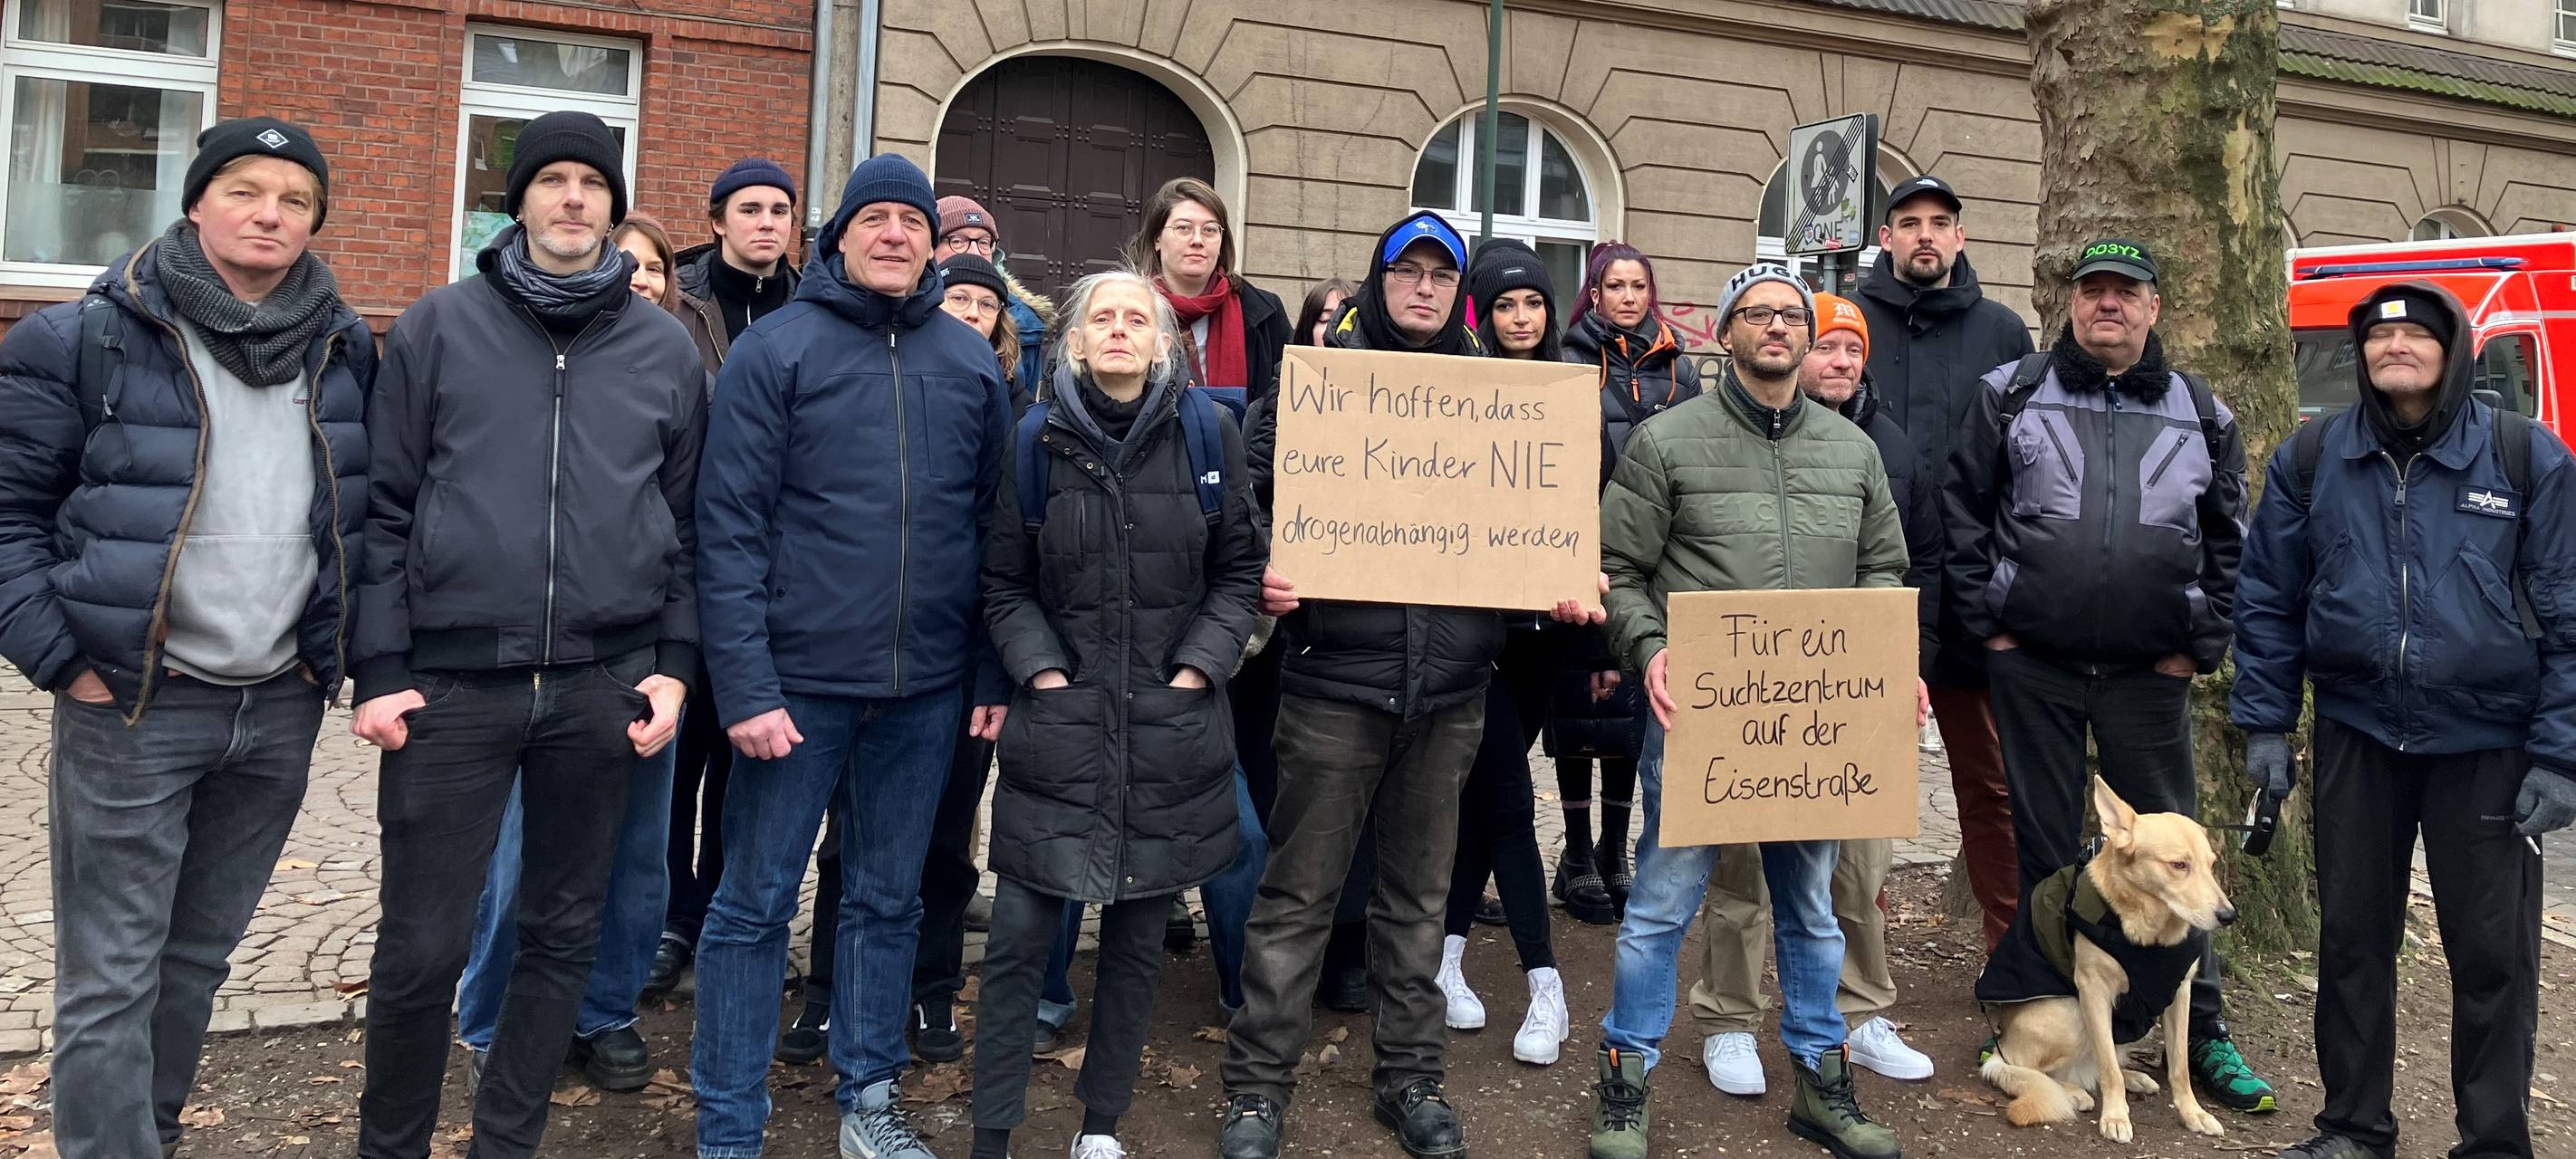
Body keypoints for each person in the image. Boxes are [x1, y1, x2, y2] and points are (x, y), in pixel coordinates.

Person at [0, 117, 369, 1159]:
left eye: (295, 199)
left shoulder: (345, 345)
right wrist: (63, 660)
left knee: (196, 958)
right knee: (112, 972)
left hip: (278, 700)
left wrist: (327, 657)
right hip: (134, 701)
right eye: (245, 190)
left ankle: (147, 1136)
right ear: (197, 202)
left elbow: (358, 511)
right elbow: (9, 511)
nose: (270, 213)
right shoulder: (85, 336)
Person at [351, 110, 704, 1159]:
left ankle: (506, 1138)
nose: (573, 199)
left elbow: (685, 527)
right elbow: (385, 511)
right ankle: (392, 1144)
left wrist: (675, 670)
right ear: (521, 200)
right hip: (453, 687)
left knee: (560, 933)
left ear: (613, 203)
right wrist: (378, 668)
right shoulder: (437, 327)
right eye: (551, 180)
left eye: (591, 184)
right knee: (422, 947)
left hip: (602, 681)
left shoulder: (662, 348)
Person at [1219, 209, 1603, 1159]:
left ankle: (1411, 1079)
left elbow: (1539, 517)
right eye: (1407, 271)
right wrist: (1267, 562)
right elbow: (1246, 500)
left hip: (1451, 693)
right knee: (1298, 895)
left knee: (1418, 900)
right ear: (1380, 277)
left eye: (1442, 274)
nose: (1424, 287)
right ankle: (1258, 1089)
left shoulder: (1495, 395)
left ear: (1457, 288)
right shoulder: (1317, 387)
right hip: (1332, 686)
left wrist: (1556, 582)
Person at [689, 152, 1013, 1159]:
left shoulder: (968, 364)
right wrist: (743, 685)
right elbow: (727, 527)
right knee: (752, 902)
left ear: (931, 242)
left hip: (923, 695)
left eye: (910, 222)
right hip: (794, 690)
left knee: (887, 895)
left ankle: (867, 1093)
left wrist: (991, 675)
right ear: (834, 238)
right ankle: (730, 1119)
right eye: (873, 219)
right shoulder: (776, 351)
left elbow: (996, 532)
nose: (894, 236)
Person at [2232, 283, 2576, 1159]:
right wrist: (2266, 724)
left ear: (2452, 348)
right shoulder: (2314, 457)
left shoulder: (2526, 457)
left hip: (2488, 745)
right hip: (2358, 732)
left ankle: (2494, 1139)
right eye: (2379, 339)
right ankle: (2353, 1124)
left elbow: (2570, 613)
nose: (2396, 349)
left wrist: (2560, 757)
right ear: (2362, 356)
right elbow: (2268, 597)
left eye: (2415, 335)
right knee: (2352, 941)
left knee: (2493, 958)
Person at [1941, 237, 2273, 1116]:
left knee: (2184, 858)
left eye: (2125, 292)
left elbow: (2233, 537)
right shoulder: (2011, 392)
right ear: (2070, 304)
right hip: (2034, 665)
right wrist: (1991, 626)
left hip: (2146, 673)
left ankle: (2200, 1028)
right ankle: (2038, 1018)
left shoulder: (2203, 412)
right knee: (2048, 854)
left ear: (2154, 306)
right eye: (2092, 292)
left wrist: (2199, 641)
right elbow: (1964, 510)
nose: (2108, 305)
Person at [1584, 263, 1908, 1159]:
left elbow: (1885, 566)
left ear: (1808, 338)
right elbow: (1621, 570)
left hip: (1814, 725)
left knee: (1809, 905)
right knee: (1660, 901)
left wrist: (1888, 659)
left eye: (1791, 316)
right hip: (1699, 715)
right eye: (1758, 314)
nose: (1777, 326)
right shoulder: (1666, 442)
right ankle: (1625, 1075)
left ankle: (1821, 1078)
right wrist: (1650, 652)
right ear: (1724, 334)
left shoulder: (1851, 451)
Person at [972, 267, 1265, 1159]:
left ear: (1162, 338)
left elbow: (1239, 573)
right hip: (1057, 731)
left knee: (1138, 938)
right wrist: (1044, 673)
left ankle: (1101, 1123)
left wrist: (1197, 668)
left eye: (1137, 317)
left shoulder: (1207, 434)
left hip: (1173, 730)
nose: (1119, 330)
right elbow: (1003, 583)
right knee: (1020, 939)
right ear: (1074, 337)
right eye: (1102, 316)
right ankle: (994, 1129)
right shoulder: (1035, 440)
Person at [447, 207, 712, 1094]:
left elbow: (690, 525)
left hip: (636, 648)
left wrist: (675, 659)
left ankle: (605, 1009)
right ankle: (495, 1013)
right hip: (534, 649)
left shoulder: (678, 372)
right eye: (621, 262)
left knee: (637, 847)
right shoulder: (523, 357)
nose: (637, 277)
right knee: (527, 846)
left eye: (651, 267)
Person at [1687, 293, 1940, 1096]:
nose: (1836, 359)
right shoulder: (1707, 437)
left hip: (1851, 693)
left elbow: (1903, 563)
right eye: (1823, 343)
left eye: (1849, 348)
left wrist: (1903, 663)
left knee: (1859, 869)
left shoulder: (1885, 447)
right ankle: (1729, 1017)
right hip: (1748, 692)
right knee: (1741, 868)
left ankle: (1860, 1013)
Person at [1851, 176, 2032, 952]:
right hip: (1864, 588)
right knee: (1851, 779)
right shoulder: (1848, 322)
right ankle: (1856, 952)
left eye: (1940, 223)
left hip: (1970, 593)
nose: (1925, 235)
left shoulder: (2002, 333)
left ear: (1961, 237)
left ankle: (2012, 952)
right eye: (1909, 223)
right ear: (1887, 238)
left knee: (1991, 785)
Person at [1125, 174, 1290, 970]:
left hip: (1237, 536)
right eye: (1184, 228)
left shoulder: (1260, 315)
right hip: (1143, 547)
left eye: (1211, 231)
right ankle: (1157, 905)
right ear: (1157, 237)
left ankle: (1235, 945)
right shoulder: (1122, 312)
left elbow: (1286, 420)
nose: (1198, 242)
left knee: (1241, 745)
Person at [653, 160, 802, 996]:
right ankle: (673, 915)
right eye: (750, 209)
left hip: (774, 560)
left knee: (746, 765)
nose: (767, 224)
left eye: (780, 210)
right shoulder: (680, 302)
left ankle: (725, 909)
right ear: (716, 221)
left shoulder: (811, 303)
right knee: (683, 756)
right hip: (688, 547)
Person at [1431, 238, 1572, 1067]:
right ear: (1480, 314)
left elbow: (1593, 503)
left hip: (1542, 638)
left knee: (1489, 798)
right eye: (1505, 306)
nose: (1521, 318)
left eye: (1533, 304)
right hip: (1474, 635)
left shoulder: (1571, 395)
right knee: (1511, 803)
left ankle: (1448, 956)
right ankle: (1544, 981)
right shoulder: (1456, 391)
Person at [1555, 241, 1701, 923]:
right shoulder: (1570, 359)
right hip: (1585, 549)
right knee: (1581, 704)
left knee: (1634, 706)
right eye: (1614, 286)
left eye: (1638, 285)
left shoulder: (1682, 368)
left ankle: (1617, 847)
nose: (1627, 297)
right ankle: (1577, 849)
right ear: (1595, 292)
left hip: (1658, 557)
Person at [937, 195, 1055, 390]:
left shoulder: (1025, 323)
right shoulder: (902, 311)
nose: (975, 252)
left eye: (984, 242)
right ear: (929, 248)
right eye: (958, 241)